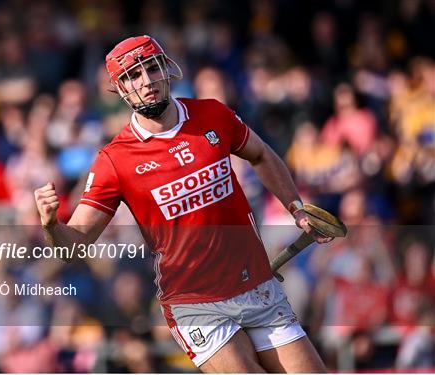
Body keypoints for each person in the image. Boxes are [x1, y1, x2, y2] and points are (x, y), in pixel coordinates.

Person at [34, 35, 330, 373]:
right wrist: (51, 225)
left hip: (257, 284)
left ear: (166, 69)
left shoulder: (212, 114)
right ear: (119, 88)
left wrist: (295, 207)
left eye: (151, 69)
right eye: (132, 76)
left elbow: (261, 154)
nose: (146, 82)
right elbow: (76, 243)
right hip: (195, 304)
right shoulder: (114, 160)